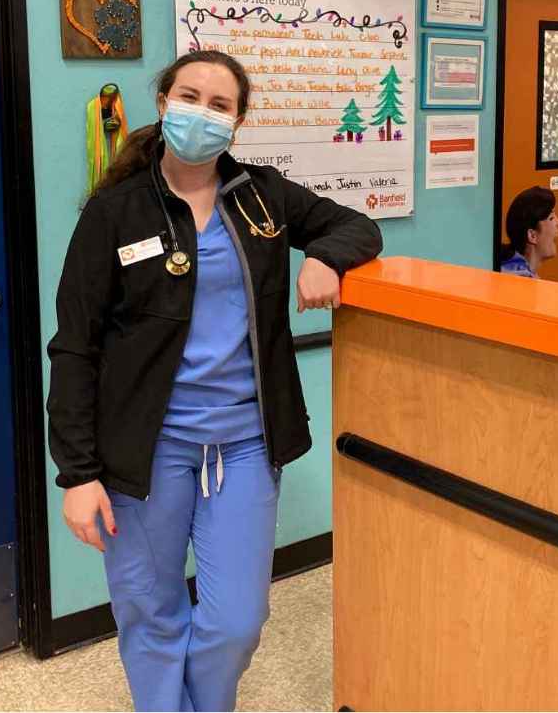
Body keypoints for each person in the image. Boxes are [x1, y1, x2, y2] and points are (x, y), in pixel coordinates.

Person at [46, 50, 383, 712]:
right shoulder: (113, 213)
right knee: (151, 612)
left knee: (235, 622)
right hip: (143, 455)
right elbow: (75, 346)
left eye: (219, 105)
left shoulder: (260, 194)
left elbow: (354, 225)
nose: (201, 113)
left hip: (245, 447)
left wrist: (323, 257)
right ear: (163, 102)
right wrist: (78, 474)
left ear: (237, 121)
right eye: (189, 96)